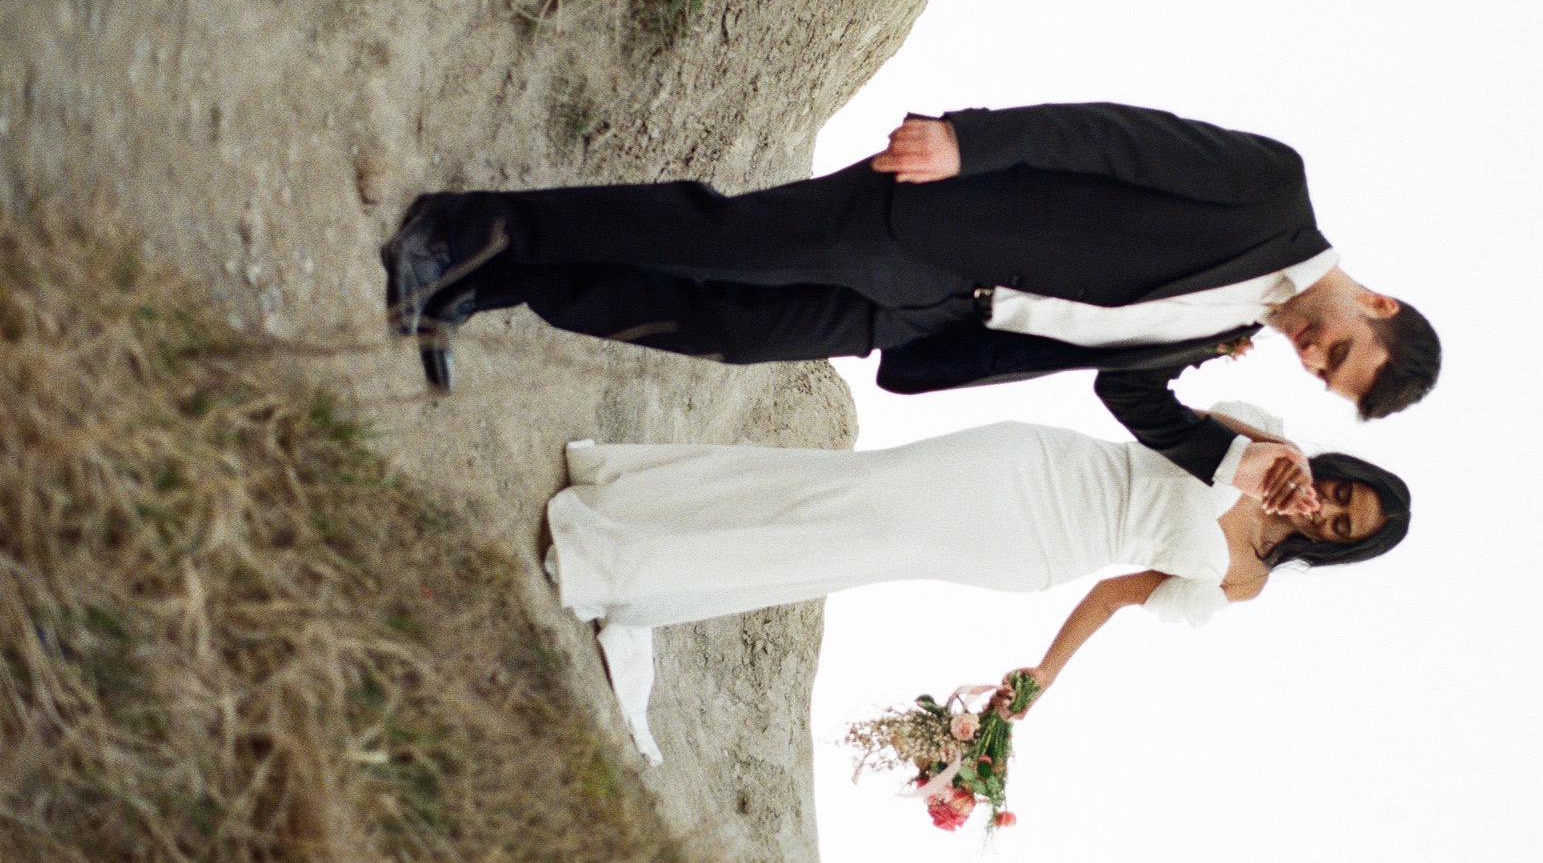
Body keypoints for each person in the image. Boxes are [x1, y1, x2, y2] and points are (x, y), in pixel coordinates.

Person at [382, 103, 1443, 445]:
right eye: (1339, 345)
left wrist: (1228, 454)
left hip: (926, 319)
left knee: (723, 327)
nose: (1313, 352)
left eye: (1321, 374)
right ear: (1377, 300)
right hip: (939, 221)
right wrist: (969, 142)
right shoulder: (1271, 193)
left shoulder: (1233, 330)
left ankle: (490, 280)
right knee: (711, 238)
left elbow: (1125, 387)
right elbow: (1121, 139)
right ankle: (464, 226)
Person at [544, 382, 1410, 760]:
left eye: (1338, 525)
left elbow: (1119, 589)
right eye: (1338, 491)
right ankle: (625, 511)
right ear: (1335, 469)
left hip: (1035, 550)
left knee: (854, 550)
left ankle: (637, 554)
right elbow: (1164, 416)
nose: (1323, 509)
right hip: (1030, 469)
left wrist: (1043, 674)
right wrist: (1256, 454)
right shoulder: (1257, 435)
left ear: (1334, 546)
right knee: (848, 491)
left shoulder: (1245, 581)